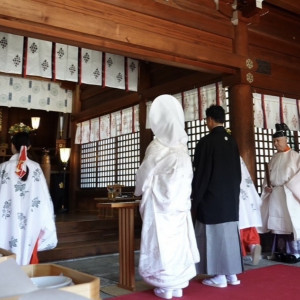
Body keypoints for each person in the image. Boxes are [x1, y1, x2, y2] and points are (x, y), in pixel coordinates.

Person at [134, 94, 200, 299]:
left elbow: (145, 174)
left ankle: (165, 283)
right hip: (179, 203)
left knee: (160, 241)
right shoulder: (183, 148)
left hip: (160, 204)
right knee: (178, 241)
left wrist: (138, 192)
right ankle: (178, 283)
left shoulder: (157, 147)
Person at [191, 104, 243, 288]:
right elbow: (238, 173)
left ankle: (219, 276)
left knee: (215, 238)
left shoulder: (206, 142)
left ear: (210, 120)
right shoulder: (232, 141)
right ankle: (232, 275)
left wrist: (195, 197)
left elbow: (201, 173)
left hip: (212, 199)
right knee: (228, 236)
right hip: (230, 198)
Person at [0, 131, 57, 265]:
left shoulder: (3, 168)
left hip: (5, 220)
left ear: (12, 146)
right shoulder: (36, 168)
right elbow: (44, 199)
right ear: (29, 147)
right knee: (27, 250)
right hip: (32, 220)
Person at [259, 123, 300, 263]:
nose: (275, 144)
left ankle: (295, 252)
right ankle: (279, 251)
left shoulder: (295, 156)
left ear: (286, 140)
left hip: (289, 193)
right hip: (276, 193)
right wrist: (267, 187)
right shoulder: (274, 158)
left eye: (278, 141)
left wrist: (291, 186)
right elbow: (267, 178)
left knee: (290, 223)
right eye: (274, 141)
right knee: (277, 224)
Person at [239, 157, 262, 266]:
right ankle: (253, 245)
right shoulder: (238, 157)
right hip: (247, 193)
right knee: (249, 222)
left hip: (232, 193)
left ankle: (240, 254)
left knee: (238, 225)